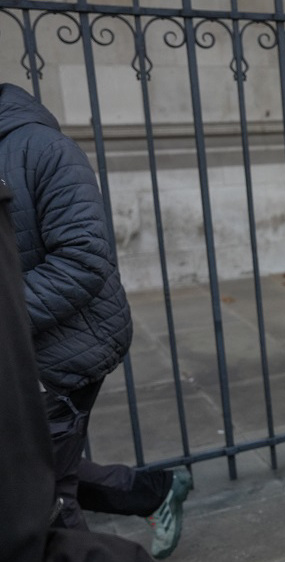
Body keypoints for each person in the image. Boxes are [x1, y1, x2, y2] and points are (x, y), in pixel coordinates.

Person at [0, 82, 192, 559]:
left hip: (64, 352)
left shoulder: (41, 148)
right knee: (26, 465)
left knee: (46, 503)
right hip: (19, 354)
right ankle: (152, 490)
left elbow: (84, 259)